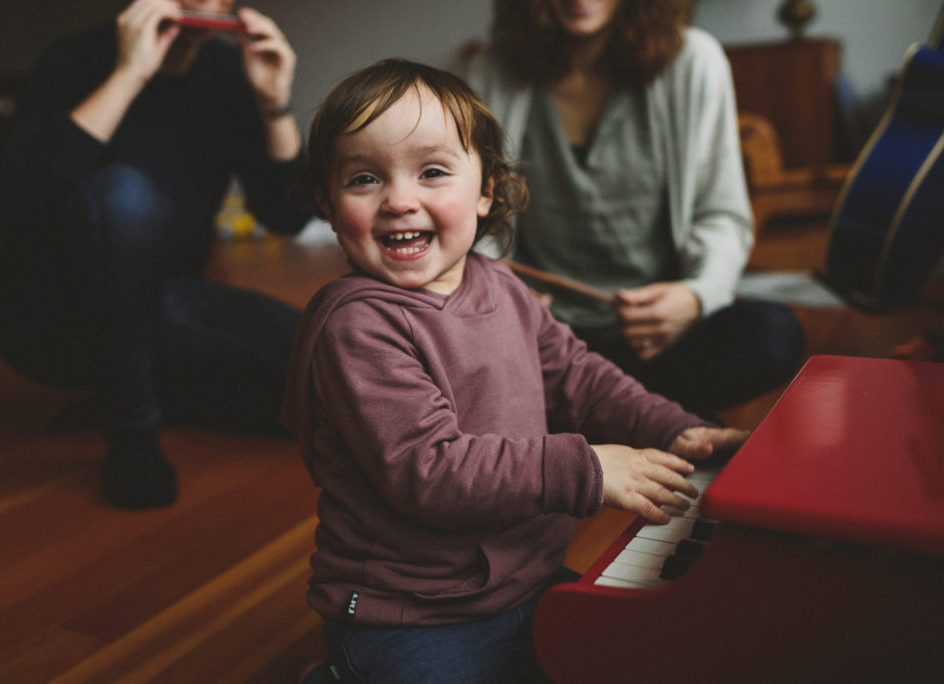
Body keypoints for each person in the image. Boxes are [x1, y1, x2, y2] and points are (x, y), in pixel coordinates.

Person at [284, 59, 747, 684]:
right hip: (411, 615)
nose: (399, 199)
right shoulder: (357, 326)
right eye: (365, 178)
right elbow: (431, 471)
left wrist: (676, 430)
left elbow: (579, 378)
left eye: (432, 172)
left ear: (486, 191)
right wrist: (587, 466)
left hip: (523, 581)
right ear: (328, 203)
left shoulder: (500, 283)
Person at [0, 0, 312, 510]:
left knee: (323, 379)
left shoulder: (229, 77)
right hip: (53, 310)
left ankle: (151, 390)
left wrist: (275, 105)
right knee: (124, 193)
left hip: (168, 302)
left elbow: (285, 218)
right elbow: (8, 206)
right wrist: (130, 75)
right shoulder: (74, 60)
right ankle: (132, 426)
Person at [464, 0, 805, 420]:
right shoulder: (490, 72)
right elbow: (464, 221)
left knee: (772, 334)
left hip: (657, 343)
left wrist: (692, 298)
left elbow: (722, 217)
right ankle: (630, 416)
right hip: (539, 343)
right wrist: (499, 294)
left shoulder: (694, 63)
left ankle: (587, 417)